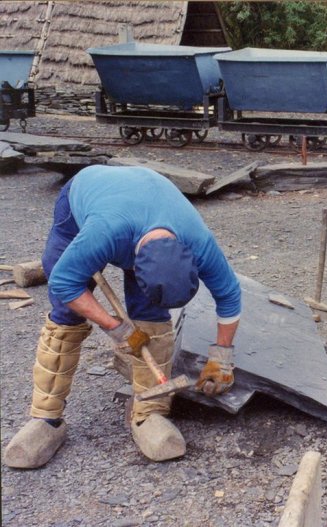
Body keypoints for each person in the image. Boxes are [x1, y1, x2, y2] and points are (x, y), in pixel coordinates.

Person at [4, 165, 242, 468]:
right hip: (85, 197)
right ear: (133, 268)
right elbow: (65, 283)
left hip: (145, 200)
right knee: (67, 309)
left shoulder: (198, 241)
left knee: (151, 316)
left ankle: (148, 413)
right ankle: (46, 418)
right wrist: (116, 328)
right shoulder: (106, 231)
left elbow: (230, 296)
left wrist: (221, 358)